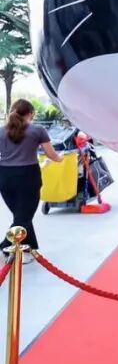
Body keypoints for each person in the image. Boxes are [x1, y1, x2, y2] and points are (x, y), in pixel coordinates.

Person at [0, 99, 62, 261]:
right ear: (30, 113)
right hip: (28, 176)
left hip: (5, 176)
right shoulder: (38, 130)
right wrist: (60, 158)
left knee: (21, 215)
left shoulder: (1, 131)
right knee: (23, 217)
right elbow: (51, 154)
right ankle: (5, 246)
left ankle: (29, 249)